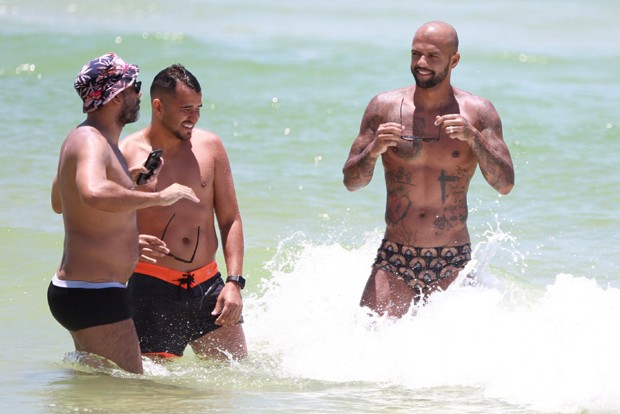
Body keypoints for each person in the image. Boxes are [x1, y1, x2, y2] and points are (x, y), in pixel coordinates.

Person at [342, 21, 515, 318]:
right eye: (415, 54)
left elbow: (505, 184)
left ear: (454, 60)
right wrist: (374, 150)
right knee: (369, 345)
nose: (421, 63)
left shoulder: (478, 111)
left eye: (432, 56)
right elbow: (351, 182)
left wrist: (473, 137)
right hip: (395, 256)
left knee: (450, 357)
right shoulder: (383, 107)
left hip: (452, 259)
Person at [48, 53, 199, 374]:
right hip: (95, 293)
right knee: (130, 391)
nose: (138, 96)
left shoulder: (87, 137)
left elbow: (62, 200)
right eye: (135, 87)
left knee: (102, 388)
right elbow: (91, 192)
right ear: (115, 94)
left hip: (83, 291)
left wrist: (124, 226)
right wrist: (157, 197)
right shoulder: (91, 141)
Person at [119, 64, 247, 360]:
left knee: (231, 388)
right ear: (158, 107)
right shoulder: (127, 152)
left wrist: (234, 282)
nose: (194, 117)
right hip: (152, 291)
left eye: (198, 108)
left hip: (210, 288)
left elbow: (230, 220)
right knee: (154, 399)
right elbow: (99, 218)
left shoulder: (210, 147)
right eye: (186, 108)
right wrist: (128, 241)